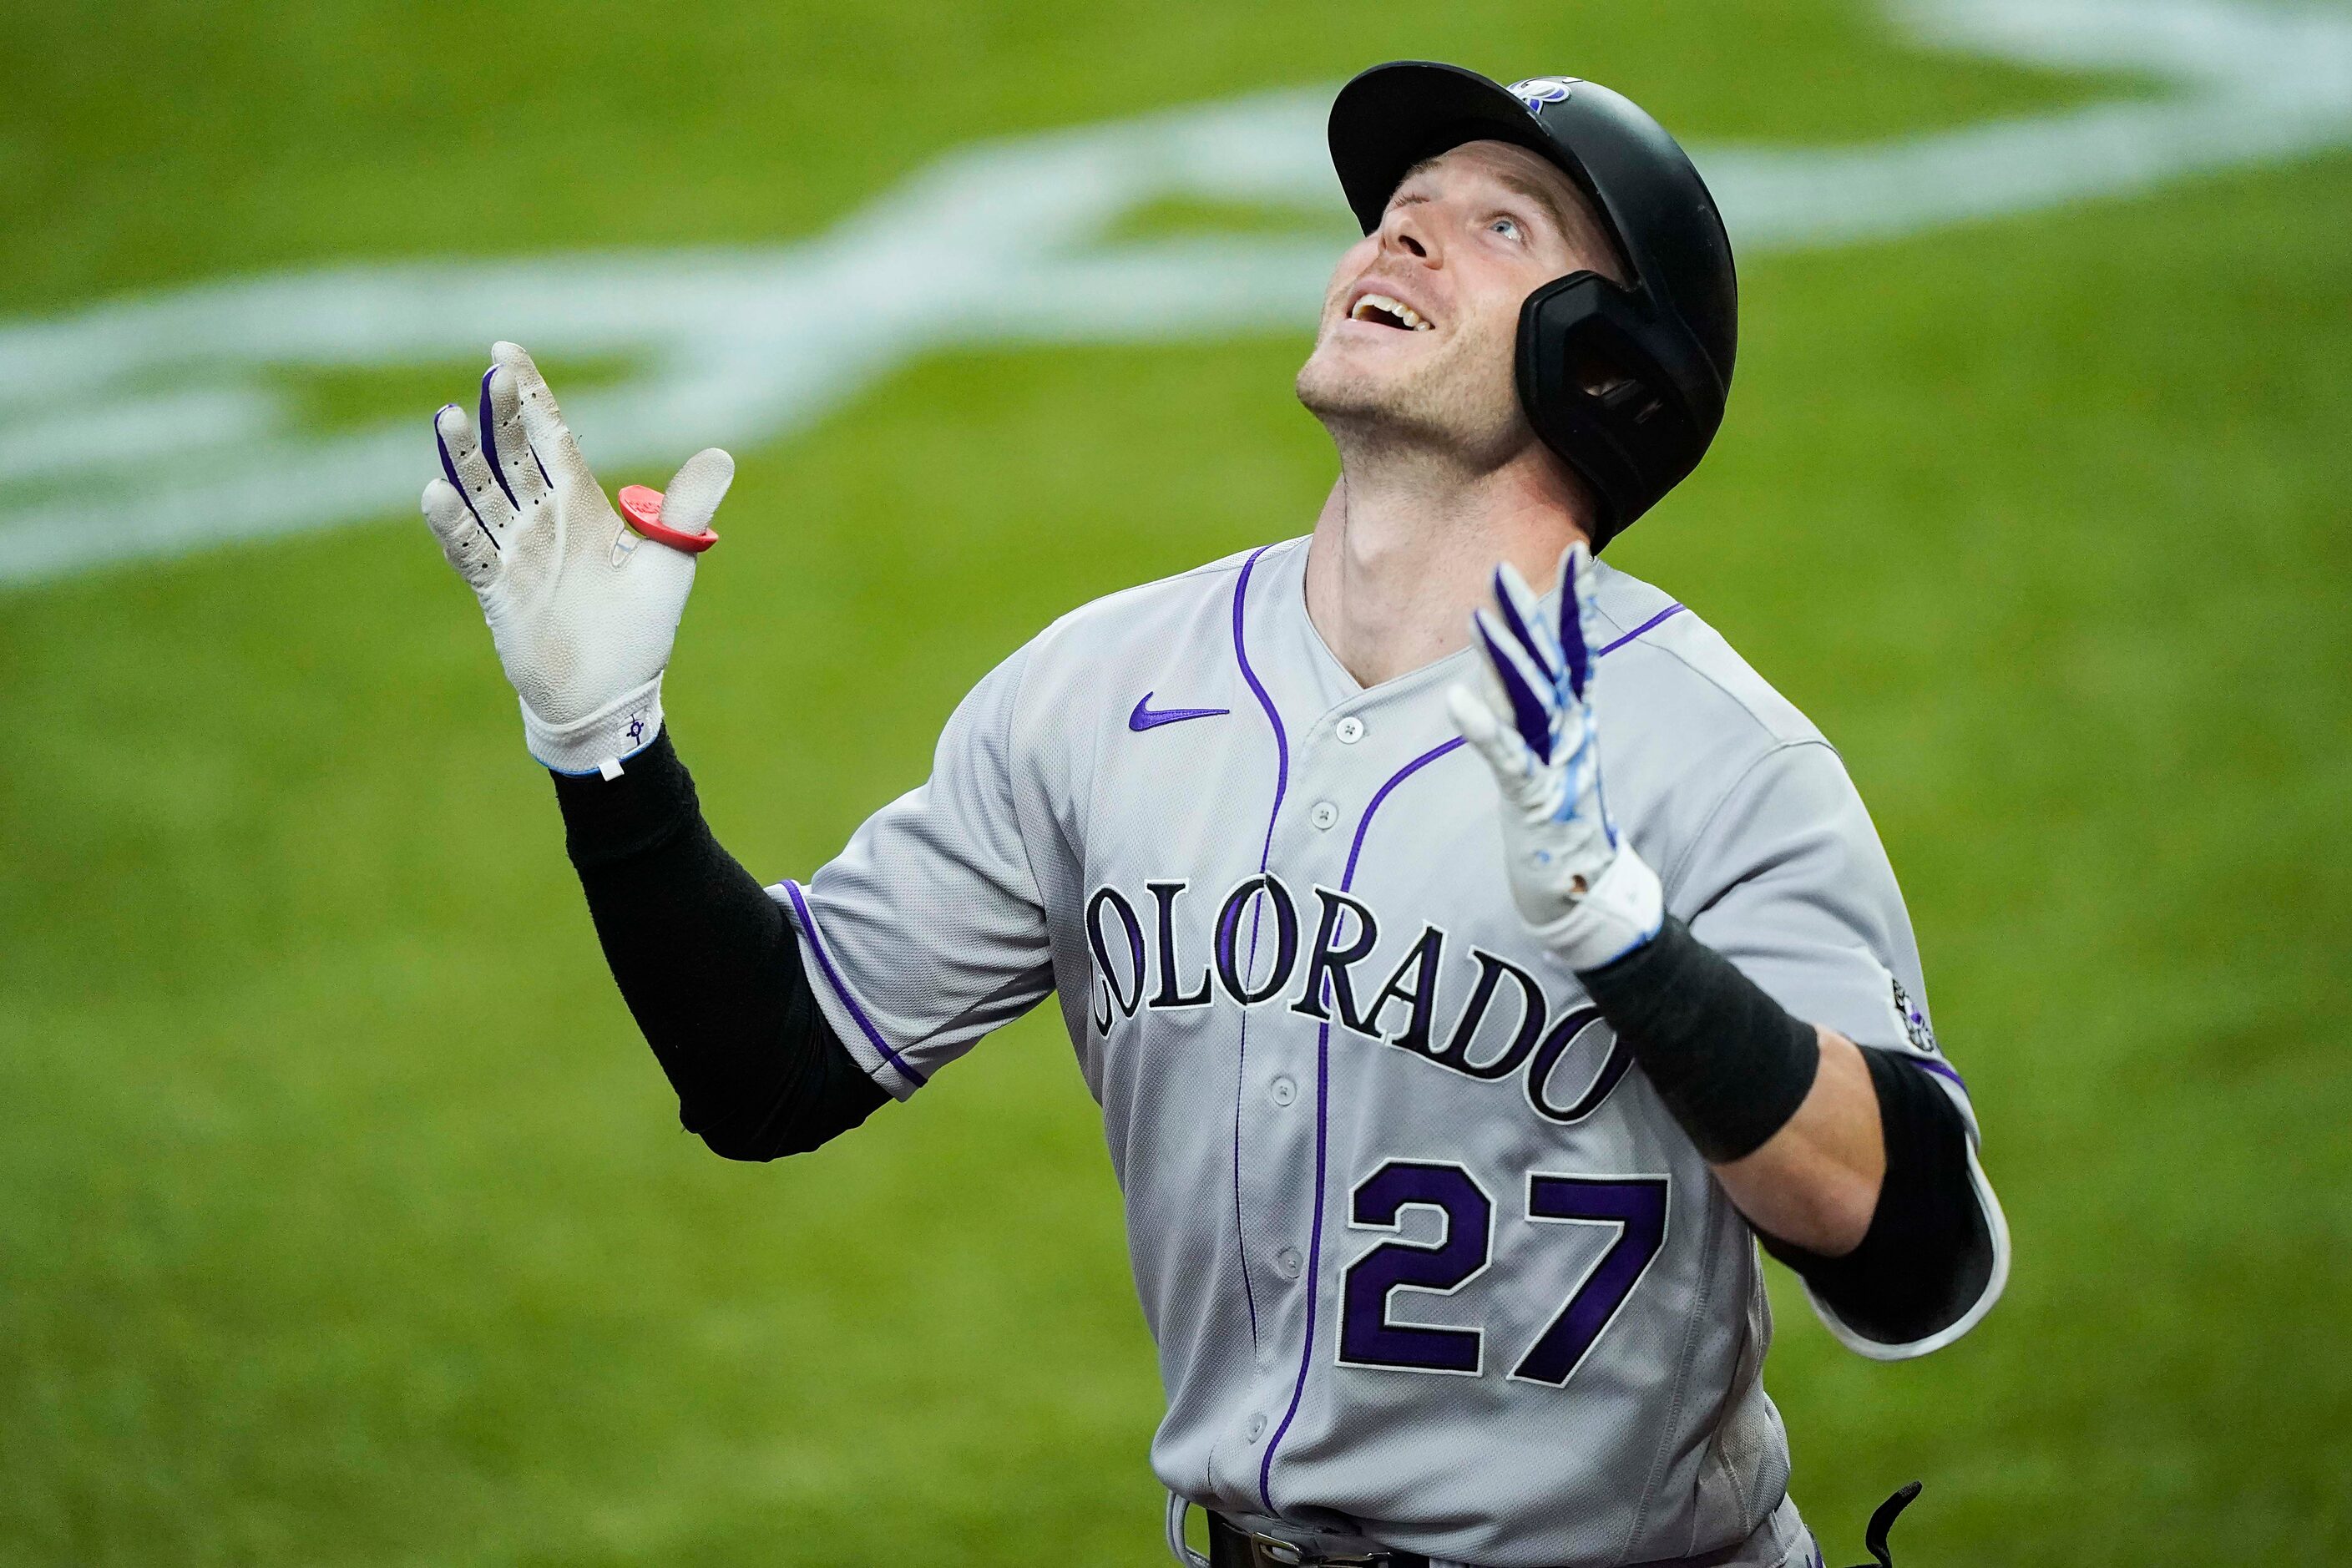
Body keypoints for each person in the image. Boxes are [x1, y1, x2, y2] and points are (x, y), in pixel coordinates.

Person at [419, 62, 2006, 1568]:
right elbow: (765, 1063)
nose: (1398, 230)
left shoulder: (1713, 756)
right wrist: (602, 745)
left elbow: (1916, 1246)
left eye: (1496, 224)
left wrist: (1627, 938)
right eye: (1402, 207)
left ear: (1605, 370)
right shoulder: (1099, 690)